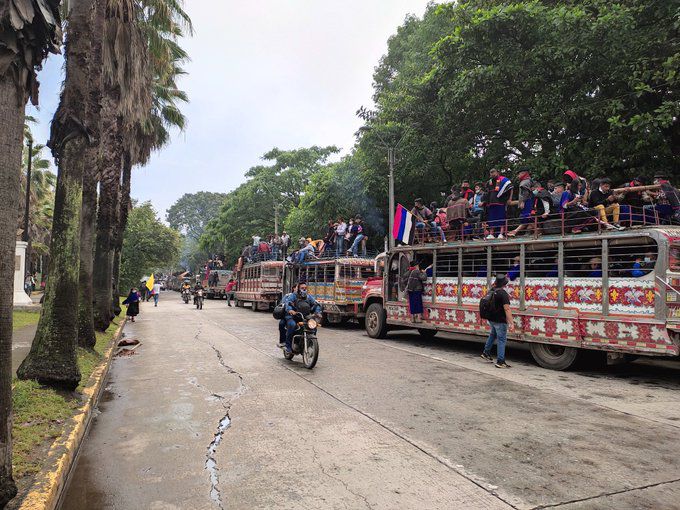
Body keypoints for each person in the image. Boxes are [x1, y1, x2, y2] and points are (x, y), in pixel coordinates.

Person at [480, 275, 513, 369]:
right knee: (502, 340)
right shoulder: (503, 293)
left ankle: (486, 353)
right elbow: (507, 309)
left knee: (493, 335)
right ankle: (500, 361)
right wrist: (511, 323)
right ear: (504, 284)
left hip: (491, 319)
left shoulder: (492, 290)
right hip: (500, 320)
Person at [282, 282, 322, 355]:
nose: (304, 290)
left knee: (313, 326)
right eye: (302, 288)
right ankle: (288, 346)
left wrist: (317, 312)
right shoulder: (293, 296)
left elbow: (316, 304)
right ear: (298, 289)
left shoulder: (309, 297)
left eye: (305, 288)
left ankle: (309, 343)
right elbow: (288, 303)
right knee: (292, 325)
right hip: (293, 316)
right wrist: (290, 310)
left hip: (305, 317)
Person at [485, 169, 513, 239]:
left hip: (500, 202)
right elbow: (487, 193)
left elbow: (511, 188)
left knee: (501, 217)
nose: (492, 174)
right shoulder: (489, 182)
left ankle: (501, 233)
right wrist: (485, 202)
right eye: (491, 173)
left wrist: (510, 199)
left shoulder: (504, 179)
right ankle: (491, 234)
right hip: (491, 203)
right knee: (491, 219)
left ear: (497, 172)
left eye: (493, 172)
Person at [508, 169, 533, 237]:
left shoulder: (525, 182)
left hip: (527, 201)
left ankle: (515, 231)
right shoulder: (528, 181)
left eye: (519, 174)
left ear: (523, 173)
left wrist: (522, 202)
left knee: (526, 216)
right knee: (527, 217)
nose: (518, 176)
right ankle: (535, 231)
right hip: (527, 200)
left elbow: (525, 193)